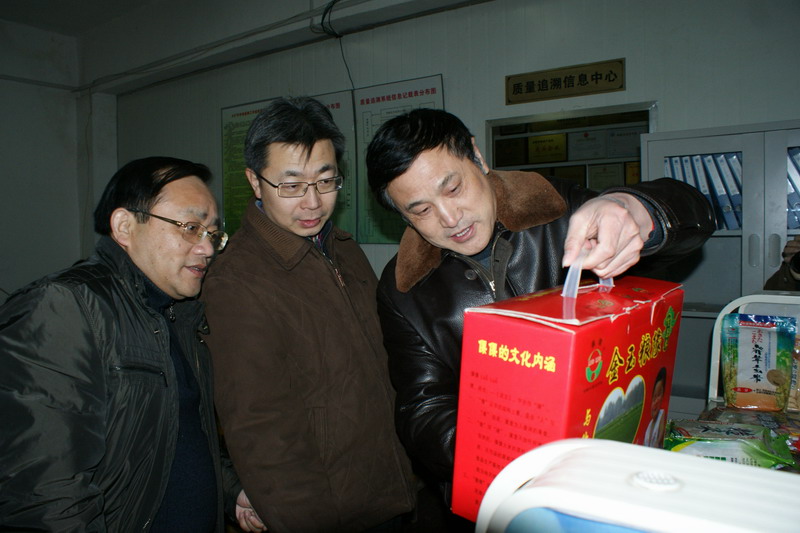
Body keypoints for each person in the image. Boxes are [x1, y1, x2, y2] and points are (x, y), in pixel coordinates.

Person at [365, 108, 716, 514]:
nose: (449, 218)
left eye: (453, 188)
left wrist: (633, 209)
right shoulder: (403, 290)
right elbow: (422, 408)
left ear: (477, 157)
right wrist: (508, 452)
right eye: (421, 210)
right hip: (499, 495)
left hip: (611, 465)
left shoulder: (560, 211)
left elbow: (696, 215)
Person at [0, 157, 264, 531]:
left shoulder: (179, 315)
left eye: (212, 233)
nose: (207, 249)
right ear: (125, 226)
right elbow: (43, 494)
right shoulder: (64, 308)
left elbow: (179, 440)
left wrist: (231, 491)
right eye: (191, 228)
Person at [201, 96, 417, 532]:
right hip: (333, 513)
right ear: (255, 181)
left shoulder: (342, 248)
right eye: (292, 185)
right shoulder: (236, 281)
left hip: (391, 488)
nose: (313, 203)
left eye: (326, 181)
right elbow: (260, 428)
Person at [642, 367, 668, 448]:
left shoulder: (661, 414)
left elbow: (661, 432)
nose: (656, 402)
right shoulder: (648, 427)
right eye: (654, 396)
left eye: (659, 395)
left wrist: (657, 442)